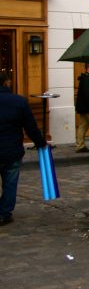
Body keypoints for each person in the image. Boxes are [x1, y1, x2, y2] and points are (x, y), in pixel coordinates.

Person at [0, 72, 47, 226]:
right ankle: (4, 213)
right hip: (12, 150)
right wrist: (41, 143)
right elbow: (31, 127)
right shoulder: (19, 101)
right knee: (10, 183)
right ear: (7, 82)